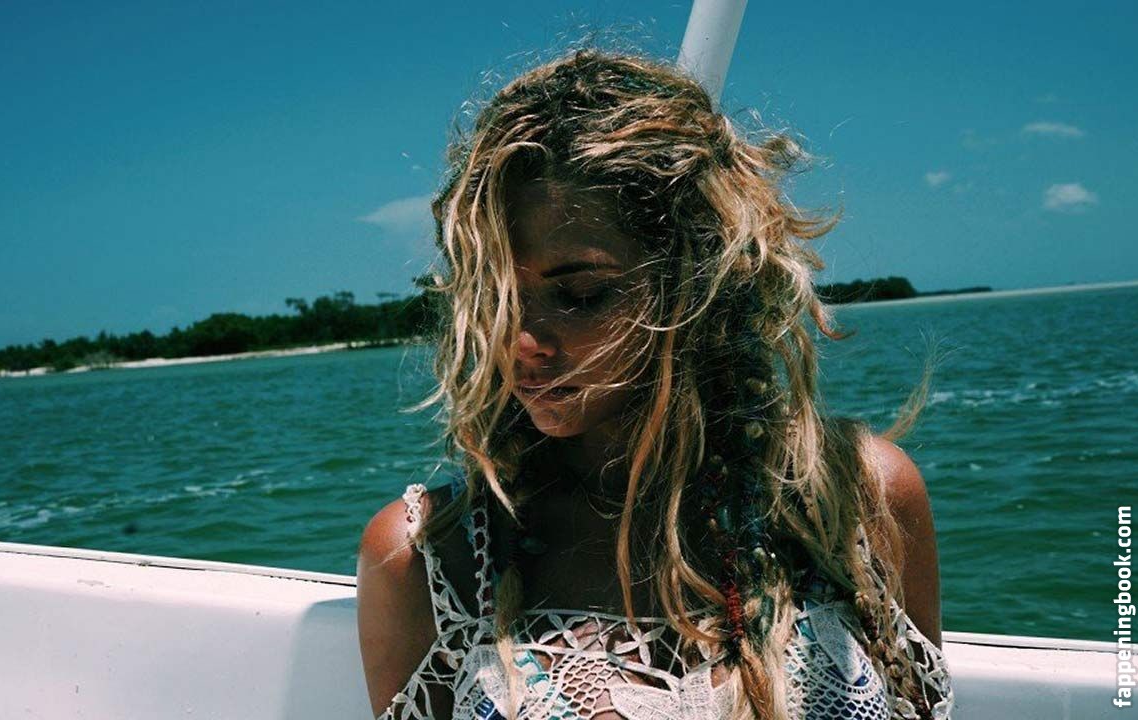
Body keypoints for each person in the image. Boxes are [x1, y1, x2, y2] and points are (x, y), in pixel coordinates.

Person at [357, 48, 954, 720]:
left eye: (581, 295)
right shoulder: (428, 560)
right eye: (493, 299)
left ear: (695, 280)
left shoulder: (859, 498)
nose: (519, 343)